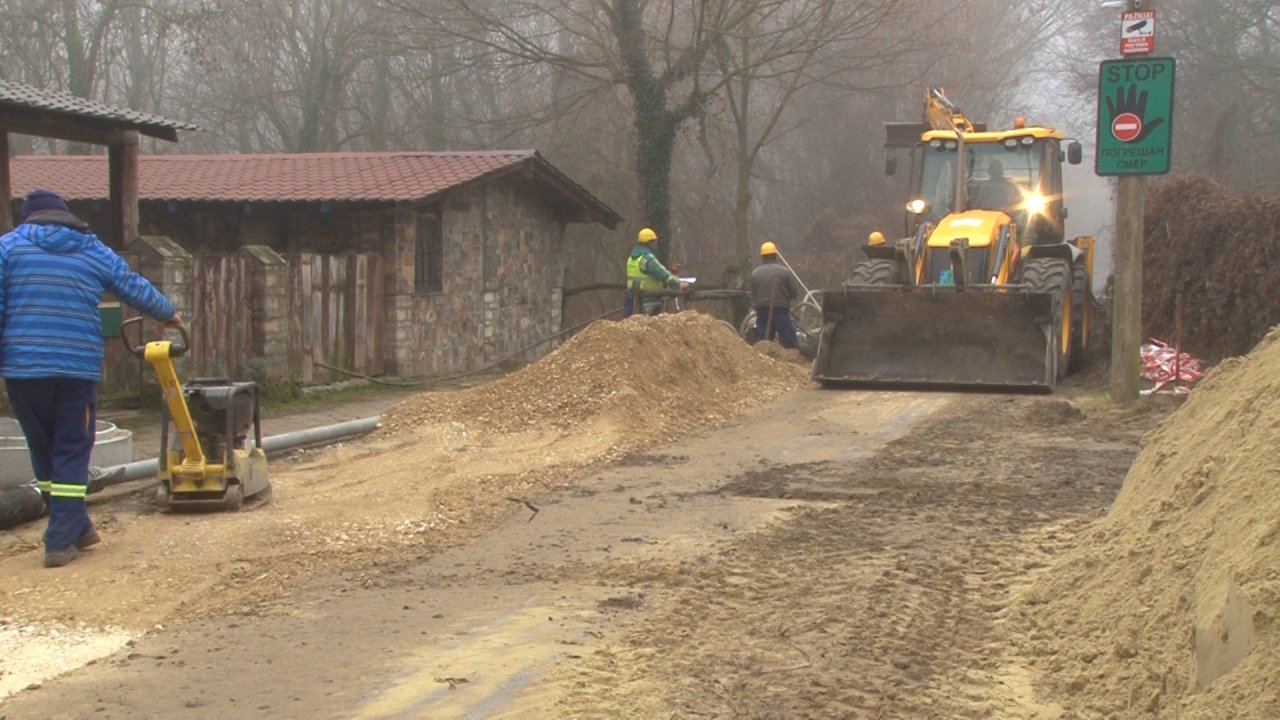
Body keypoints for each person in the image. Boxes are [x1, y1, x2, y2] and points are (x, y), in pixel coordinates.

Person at [0, 189, 181, 568]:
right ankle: (61, 539)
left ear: (28, 218)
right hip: (75, 368)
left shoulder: (8, 249)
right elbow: (131, 284)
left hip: (24, 369)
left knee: (44, 449)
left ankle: (75, 527)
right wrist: (167, 312)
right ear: (66, 215)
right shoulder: (91, 249)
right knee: (71, 448)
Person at [624, 226, 687, 317]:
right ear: (649, 243)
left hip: (632, 299)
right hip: (649, 299)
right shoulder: (647, 258)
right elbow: (661, 273)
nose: (655, 244)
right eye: (654, 242)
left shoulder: (631, 258)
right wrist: (678, 284)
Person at [750, 241, 800, 349]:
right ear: (775, 255)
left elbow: (753, 294)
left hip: (762, 311)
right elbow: (793, 293)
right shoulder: (784, 272)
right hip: (780, 310)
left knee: (763, 342)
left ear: (762, 256)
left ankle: (762, 358)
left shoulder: (755, 273)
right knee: (789, 341)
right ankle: (793, 358)